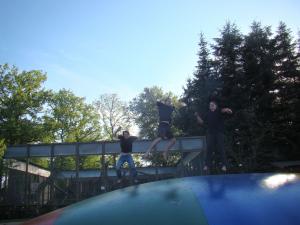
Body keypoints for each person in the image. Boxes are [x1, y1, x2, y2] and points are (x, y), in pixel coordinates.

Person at [195, 100, 232, 172]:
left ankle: (224, 165)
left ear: (215, 106)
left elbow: (224, 110)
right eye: (210, 105)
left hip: (218, 133)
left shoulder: (218, 111)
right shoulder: (207, 113)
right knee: (209, 148)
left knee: (221, 148)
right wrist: (197, 116)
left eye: (212, 105)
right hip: (210, 133)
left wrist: (228, 110)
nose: (211, 106)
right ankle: (207, 165)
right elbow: (201, 122)